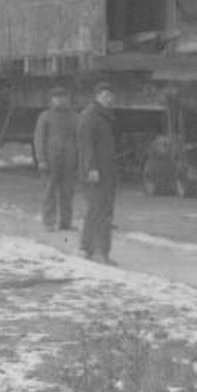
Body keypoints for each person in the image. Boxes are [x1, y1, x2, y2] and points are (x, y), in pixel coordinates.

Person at [77, 84, 119, 264]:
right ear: (97, 96)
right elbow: (86, 144)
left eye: (111, 96)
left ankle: (87, 248)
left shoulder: (104, 116)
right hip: (96, 172)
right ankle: (101, 252)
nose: (110, 99)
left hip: (106, 170)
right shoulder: (90, 116)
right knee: (101, 211)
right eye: (106, 95)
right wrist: (91, 168)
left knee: (99, 210)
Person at [33, 87, 80, 231]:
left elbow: (80, 139)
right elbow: (39, 139)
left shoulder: (75, 117)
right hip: (50, 159)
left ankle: (66, 222)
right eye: (57, 97)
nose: (60, 100)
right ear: (52, 100)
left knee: (68, 192)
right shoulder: (45, 117)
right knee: (49, 191)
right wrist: (41, 159)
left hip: (69, 159)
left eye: (63, 97)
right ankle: (49, 222)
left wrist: (79, 159)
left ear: (68, 99)